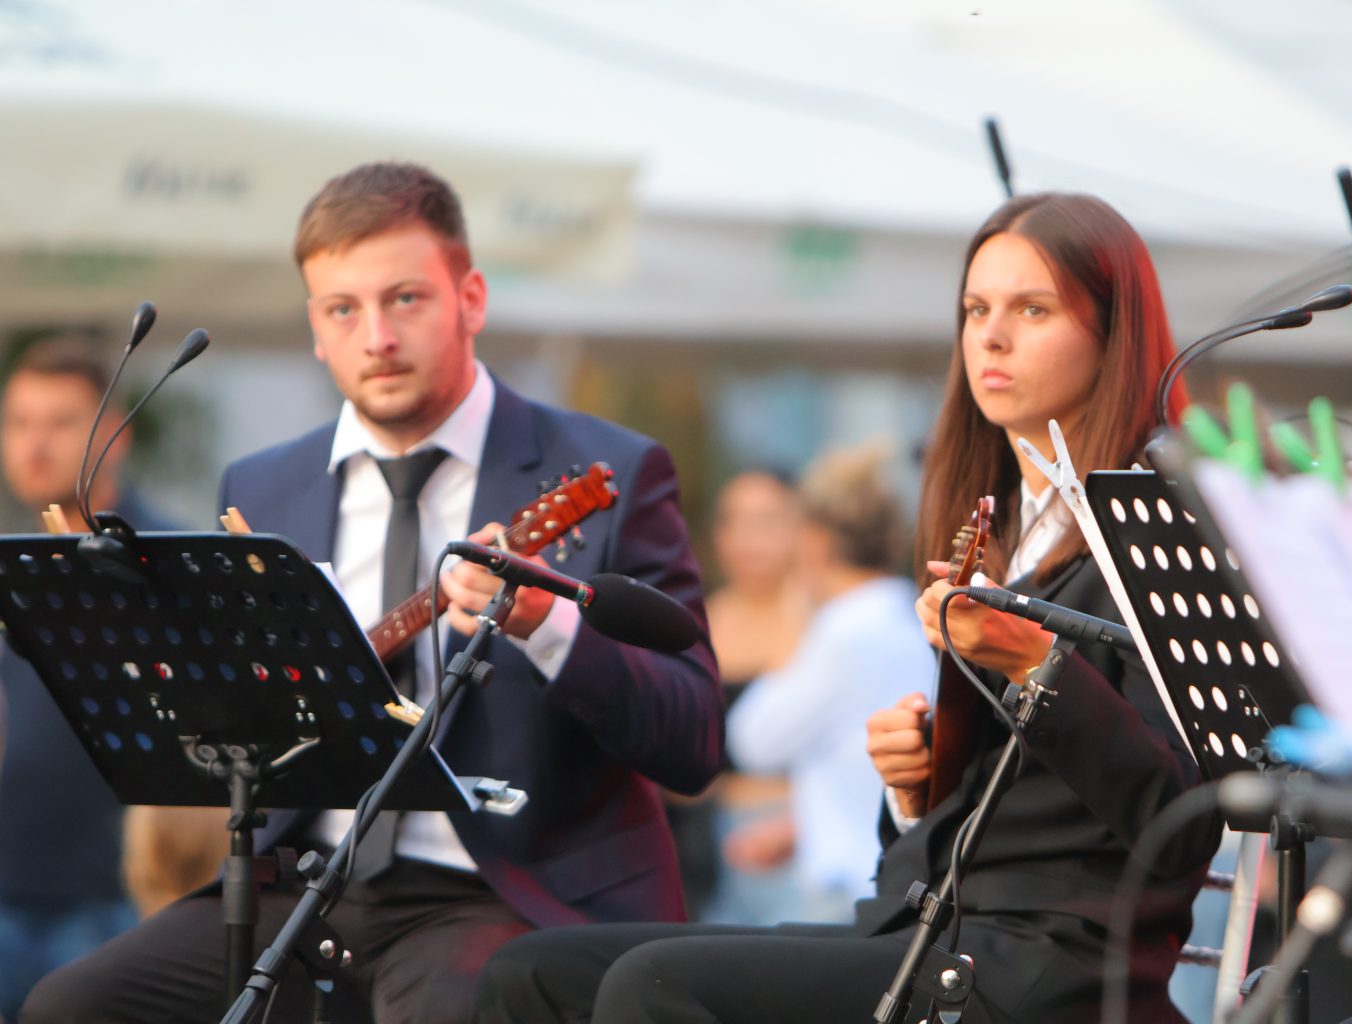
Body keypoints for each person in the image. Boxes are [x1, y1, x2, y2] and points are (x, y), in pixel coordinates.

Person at [470, 192, 1222, 1024]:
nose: (991, 336)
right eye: (976, 309)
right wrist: (914, 786)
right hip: (920, 925)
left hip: (1045, 967)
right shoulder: (1008, 527)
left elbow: (1183, 824)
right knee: (529, 975)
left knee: (653, 989)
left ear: (1112, 336)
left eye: (1032, 310)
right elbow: (969, 820)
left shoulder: (1168, 528)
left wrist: (1033, 662)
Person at [22, 162, 723, 1024]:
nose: (376, 337)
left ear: (471, 298)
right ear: (315, 330)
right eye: (341, 309)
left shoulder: (612, 469)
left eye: (406, 299)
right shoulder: (265, 482)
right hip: (304, 881)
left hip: (505, 893)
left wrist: (547, 629)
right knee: (72, 1007)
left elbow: (694, 735)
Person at [0, 336, 172, 1017]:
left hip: (115, 901)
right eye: (19, 422)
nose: (35, 443)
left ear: (115, 435)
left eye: (61, 422)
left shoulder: (163, 560)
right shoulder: (14, 558)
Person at [725, 442, 934, 923]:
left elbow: (753, 741)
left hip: (841, 884)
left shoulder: (842, 629)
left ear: (816, 540)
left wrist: (793, 620)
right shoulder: (904, 614)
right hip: (888, 870)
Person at [680, 468, 809, 923]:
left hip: (799, 841)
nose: (748, 539)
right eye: (734, 521)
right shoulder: (699, 622)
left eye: (767, 521)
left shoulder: (826, 623)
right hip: (710, 843)